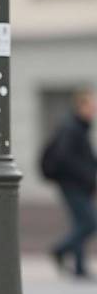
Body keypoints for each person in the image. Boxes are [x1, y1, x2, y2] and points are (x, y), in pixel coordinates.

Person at [50, 89, 97, 279]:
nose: (93, 110)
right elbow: (65, 157)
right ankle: (60, 249)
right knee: (90, 223)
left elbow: (86, 157)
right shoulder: (72, 127)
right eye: (91, 106)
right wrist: (87, 175)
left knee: (80, 222)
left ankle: (79, 268)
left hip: (80, 184)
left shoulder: (81, 127)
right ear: (80, 106)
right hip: (72, 184)